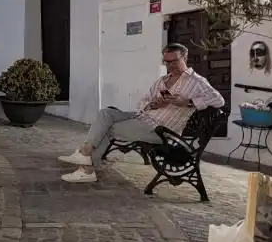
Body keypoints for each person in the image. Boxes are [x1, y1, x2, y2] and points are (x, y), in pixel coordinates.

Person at [58, 43, 226, 183]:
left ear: (185, 57)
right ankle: (86, 152)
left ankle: (86, 168)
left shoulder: (197, 82)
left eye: (174, 61)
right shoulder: (162, 80)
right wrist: (153, 104)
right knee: (105, 114)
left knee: (109, 128)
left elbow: (219, 100)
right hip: (143, 118)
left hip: (160, 130)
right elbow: (143, 102)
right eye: (167, 62)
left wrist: (188, 102)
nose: (170, 66)